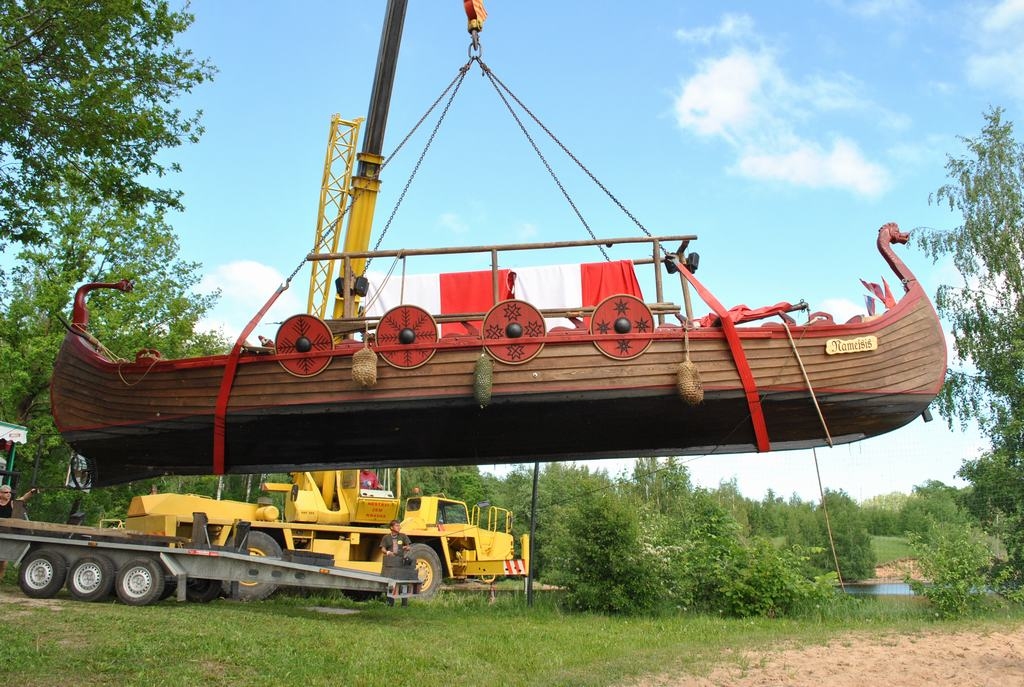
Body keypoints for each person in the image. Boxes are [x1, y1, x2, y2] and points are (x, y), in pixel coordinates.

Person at [0, 484, 37, 578]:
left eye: (9, 492)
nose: (8, 494)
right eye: (6, 492)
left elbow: (23, 498)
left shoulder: (12, 503)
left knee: (3, 559)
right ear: (0, 493)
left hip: (6, 532)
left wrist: (31, 492)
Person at [379, 518, 411, 606]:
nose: (399, 527)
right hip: (390, 562)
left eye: (399, 525)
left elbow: (408, 547)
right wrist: (388, 552)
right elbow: (382, 548)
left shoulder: (403, 536)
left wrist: (406, 548)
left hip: (401, 562)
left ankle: (404, 604)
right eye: (397, 525)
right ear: (391, 527)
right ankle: (390, 603)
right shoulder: (386, 537)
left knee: (403, 582)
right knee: (391, 582)